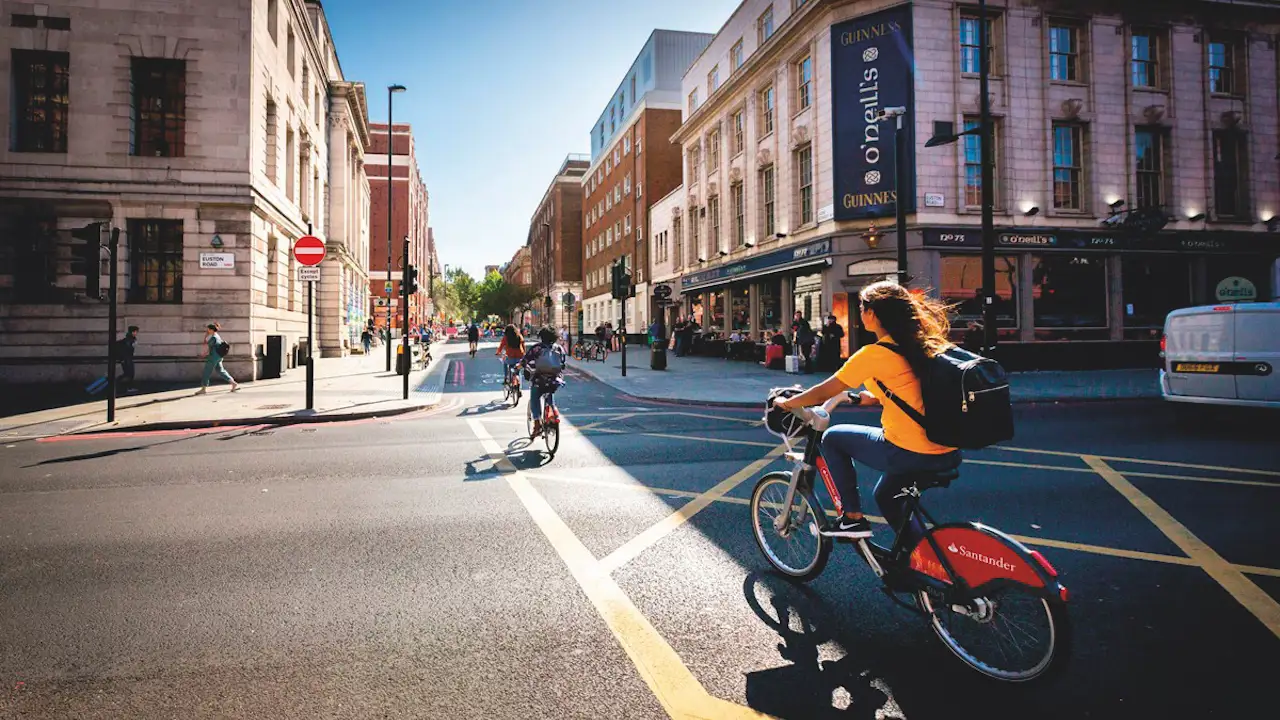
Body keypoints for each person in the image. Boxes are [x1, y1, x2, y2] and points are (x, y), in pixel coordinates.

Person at [774, 281, 960, 542]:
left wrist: (787, 403)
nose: (860, 312)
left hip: (911, 451)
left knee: (833, 438)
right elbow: (910, 391)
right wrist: (868, 398)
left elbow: (823, 392)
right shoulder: (922, 345)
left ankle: (852, 519)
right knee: (886, 496)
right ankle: (920, 559)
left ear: (872, 313)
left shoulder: (874, 354)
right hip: (947, 449)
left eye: (862, 307)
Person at [518, 327, 567, 436]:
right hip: (554, 380)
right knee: (550, 394)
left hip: (539, 380)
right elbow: (563, 364)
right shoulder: (559, 348)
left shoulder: (536, 348)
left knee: (535, 398)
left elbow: (525, 361)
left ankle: (537, 424)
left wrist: (520, 367)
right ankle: (553, 413)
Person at [197, 322, 239, 394]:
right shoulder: (217, 336)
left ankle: (203, 388)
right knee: (221, 370)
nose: (207, 331)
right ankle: (233, 383)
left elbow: (208, 345)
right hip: (219, 356)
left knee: (207, 371)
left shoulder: (213, 338)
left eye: (208, 329)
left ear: (212, 330)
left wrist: (204, 353)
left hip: (213, 356)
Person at [116, 325, 139, 392]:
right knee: (130, 374)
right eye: (135, 331)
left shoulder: (129, 339)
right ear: (132, 332)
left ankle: (121, 384)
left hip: (126, 359)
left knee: (127, 374)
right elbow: (127, 350)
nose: (136, 333)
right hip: (127, 359)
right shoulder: (130, 339)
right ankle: (127, 387)